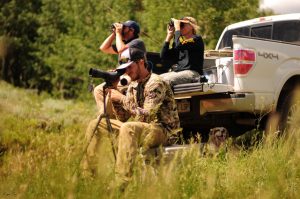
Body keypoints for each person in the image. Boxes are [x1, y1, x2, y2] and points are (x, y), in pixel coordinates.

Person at [83, 47, 180, 189]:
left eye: (129, 68)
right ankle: (88, 177)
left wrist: (122, 99)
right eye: (125, 69)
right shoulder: (133, 85)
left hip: (163, 130)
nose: (127, 72)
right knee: (96, 124)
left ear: (141, 62)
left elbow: (147, 114)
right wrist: (113, 96)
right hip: (143, 128)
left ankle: (121, 182)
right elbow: (122, 117)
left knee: (129, 128)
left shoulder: (155, 83)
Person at [94, 20, 146, 114]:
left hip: (132, 76)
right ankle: (106, 115)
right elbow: (104, 48)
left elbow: (121, 50)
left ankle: (108, 116)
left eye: (124, 28)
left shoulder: (137, 42)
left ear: (131, 30)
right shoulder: (123, 44)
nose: (121, 29)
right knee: (98, 90)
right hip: (123, 75)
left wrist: (118, 32)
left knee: (109, 90)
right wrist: (114, 33)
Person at [160, 16, 205, 86]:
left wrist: (177, 28)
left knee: (165, 80)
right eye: (180, 24)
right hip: (179, 72)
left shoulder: (196, 39)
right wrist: (169, 35)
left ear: (191, 26)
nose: (180, 26)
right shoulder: (180, 42)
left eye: (182, 24)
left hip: (193, 73)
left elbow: (179, 45)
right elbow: (164, 56)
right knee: (156, 80)